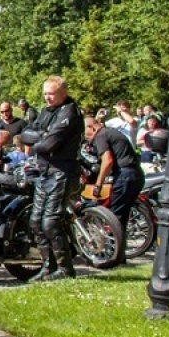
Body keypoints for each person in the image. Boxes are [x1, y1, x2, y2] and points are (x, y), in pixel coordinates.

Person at [19, 76, 83, 280]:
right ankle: (48, 266)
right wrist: (43, 135)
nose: (47, 97)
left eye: (51, 94)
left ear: (63, 93)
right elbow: (25, 134)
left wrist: (41, 139)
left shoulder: (69, 112)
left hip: (62, 171)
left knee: (51, 222)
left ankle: (66, 269)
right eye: (45, 93)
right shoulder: (46, 111)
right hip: (44, 171)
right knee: (36, 221)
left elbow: (49, 145)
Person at [85, 113, 142, 265]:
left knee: (114, 218)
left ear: (92, 127)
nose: (88, 139)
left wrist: (98, 184)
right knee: (122, 217)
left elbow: (107, 161)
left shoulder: (101, 135)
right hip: (136, 174)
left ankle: (112, 256)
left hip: (124, 175)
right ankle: (120, 257)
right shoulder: (112, 132)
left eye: (87, 135)